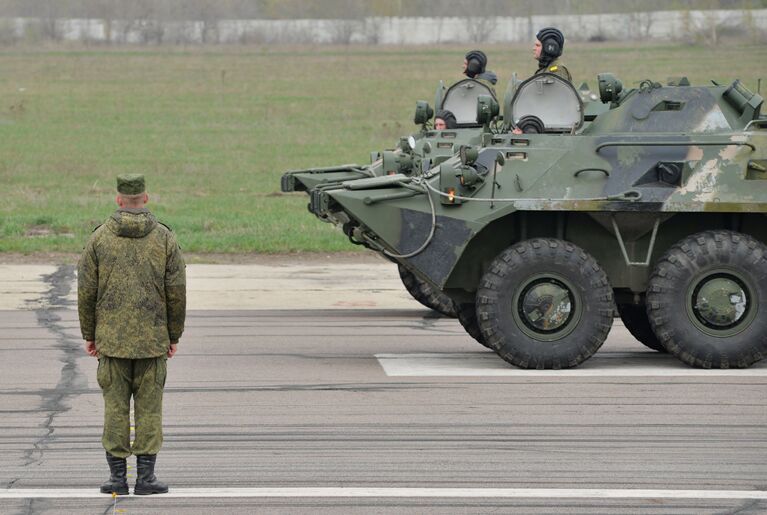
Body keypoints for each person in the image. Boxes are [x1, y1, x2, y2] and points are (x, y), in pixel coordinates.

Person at [78, 174, 186, 496]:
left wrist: (89, 334)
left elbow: (86, 291)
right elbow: (176, 292)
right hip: (152, 342)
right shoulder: (165, 239)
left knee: (115, 409)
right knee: (150, 410)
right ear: (146, 198)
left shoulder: (99, 239)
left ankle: (116, 479)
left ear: (118, 200)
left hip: (111, 342)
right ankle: (146, 479)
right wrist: (173, 334)